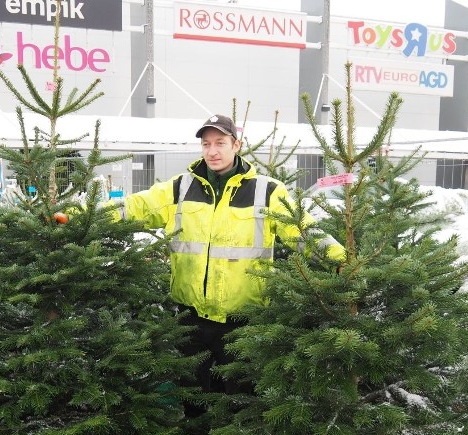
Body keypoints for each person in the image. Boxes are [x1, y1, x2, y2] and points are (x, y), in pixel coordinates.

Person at [117, 114, 346, 395]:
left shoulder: (267, 192)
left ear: (236, 145)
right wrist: (80, 216)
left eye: (220, 143)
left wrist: (339, 259)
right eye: (206, 144)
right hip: (190, 320)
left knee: (240, 401)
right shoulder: (180, 188)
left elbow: (303, 229)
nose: (212, 151)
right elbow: (134, 207)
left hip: (242, 322)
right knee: (192, 397)